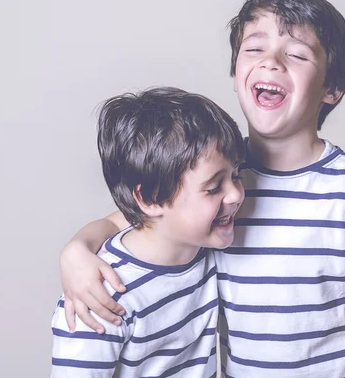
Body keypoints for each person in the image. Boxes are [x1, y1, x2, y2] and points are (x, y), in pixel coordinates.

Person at [59, 0, 345, 377]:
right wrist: (75, 251)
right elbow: (127, 217)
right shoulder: (214, 181)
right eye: (254, 48)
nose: (271, 62)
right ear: (234, 72)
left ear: (332, 89)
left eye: (297, 54)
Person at [51, 87, 245, 377]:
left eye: (236, 175)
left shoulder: (203, 248)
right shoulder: (100, 298)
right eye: (214, 187)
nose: (236, 195)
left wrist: (76, 246)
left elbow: (120, 219)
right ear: (152, 198)